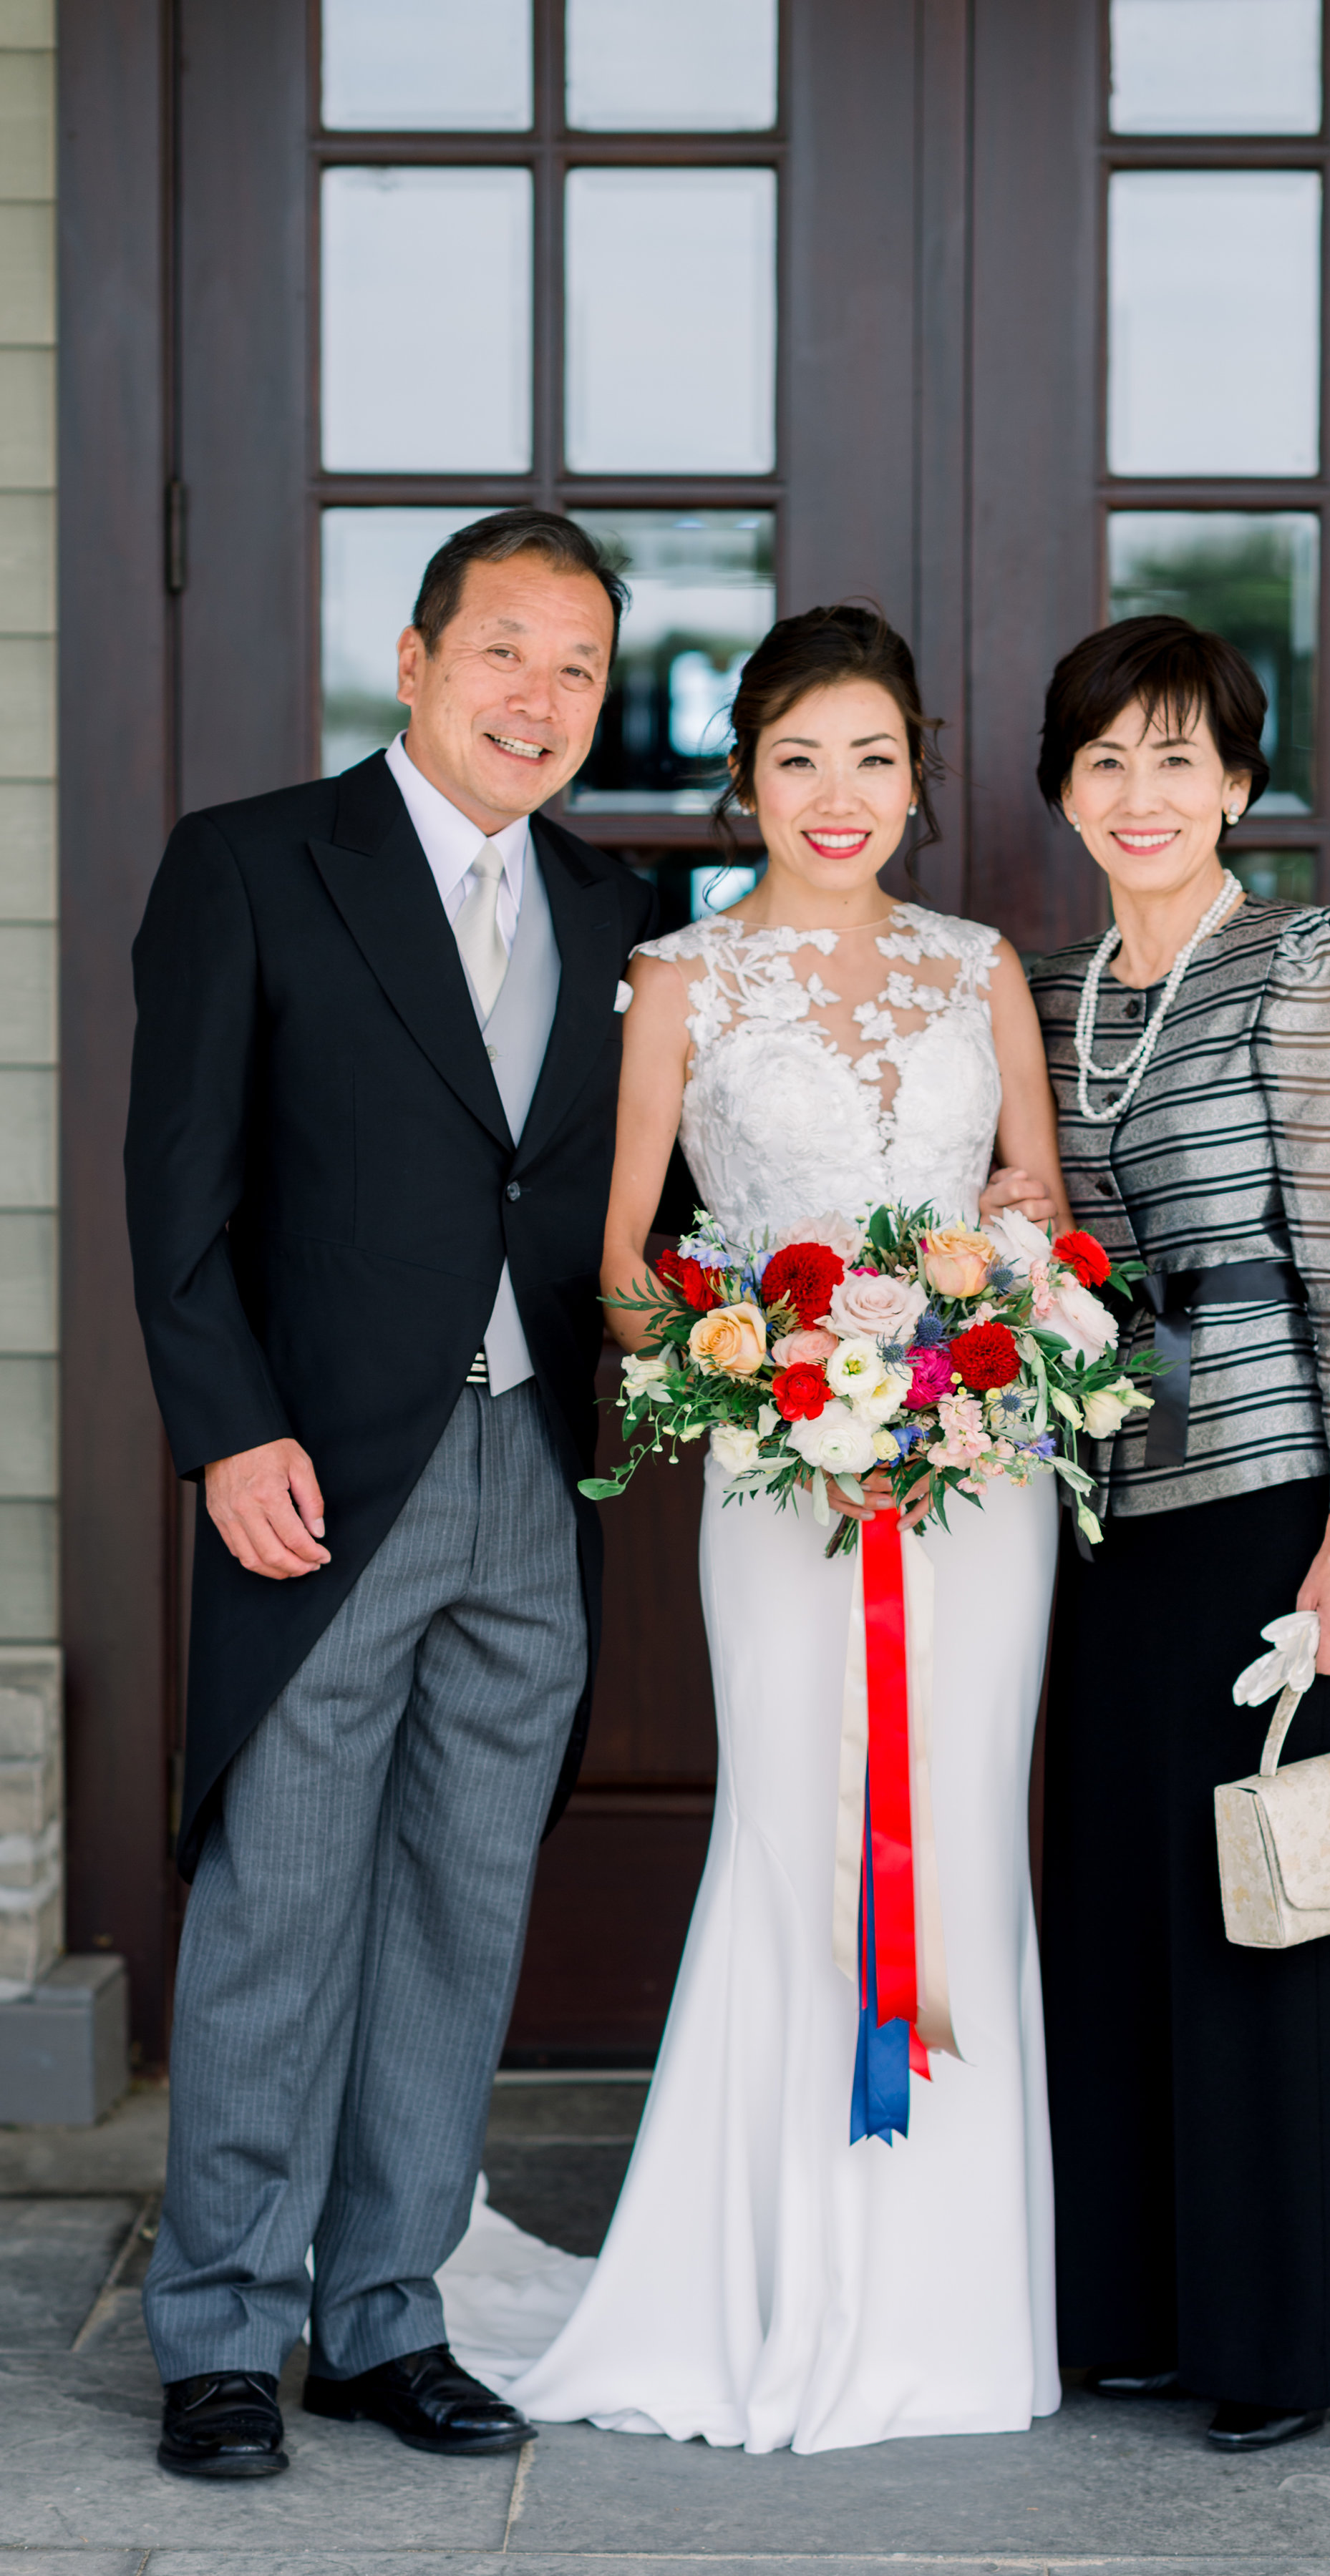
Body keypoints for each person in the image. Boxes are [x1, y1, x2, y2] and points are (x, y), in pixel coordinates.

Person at [439, 605, 1071, 2453]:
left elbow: (1029, 1203)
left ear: (915, 778)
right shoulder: (679, 982)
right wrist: (776, 1379)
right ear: (746, 776)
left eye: (871, 759)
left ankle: (955, 2312)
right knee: (800, 1832)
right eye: (798, 759)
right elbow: (621, 1264)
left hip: (979, 1477)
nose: (835, 795)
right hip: (777, 1485)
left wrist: (974, 1339)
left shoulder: (977, 972)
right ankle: (763, 2285)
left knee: (954, 1830)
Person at [124, 509, 656, 2478]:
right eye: (505, 650)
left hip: (536, 1471)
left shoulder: (614, 913)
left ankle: (382, 2315)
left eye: (578, 668)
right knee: (279, 1902)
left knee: (457, 1903)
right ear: (417, 660)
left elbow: (624, 1200)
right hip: (322, 1479)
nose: (540, 697)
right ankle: (219, 2333)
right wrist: (224, 1427)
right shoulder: (255, 865)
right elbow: (175, 1187)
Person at [1028, 616, 1330, 2452]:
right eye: (1104, 760)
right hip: (1102, 1501)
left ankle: (1286, 2337)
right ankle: (1135, 2305)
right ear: (1063, 792)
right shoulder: (1052, 989)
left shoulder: (1302, 961)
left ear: (1237, 783)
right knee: (1128, 1902)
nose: (1140, 793)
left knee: (1282, 1905)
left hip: (1269, 1494)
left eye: (1176, 758)